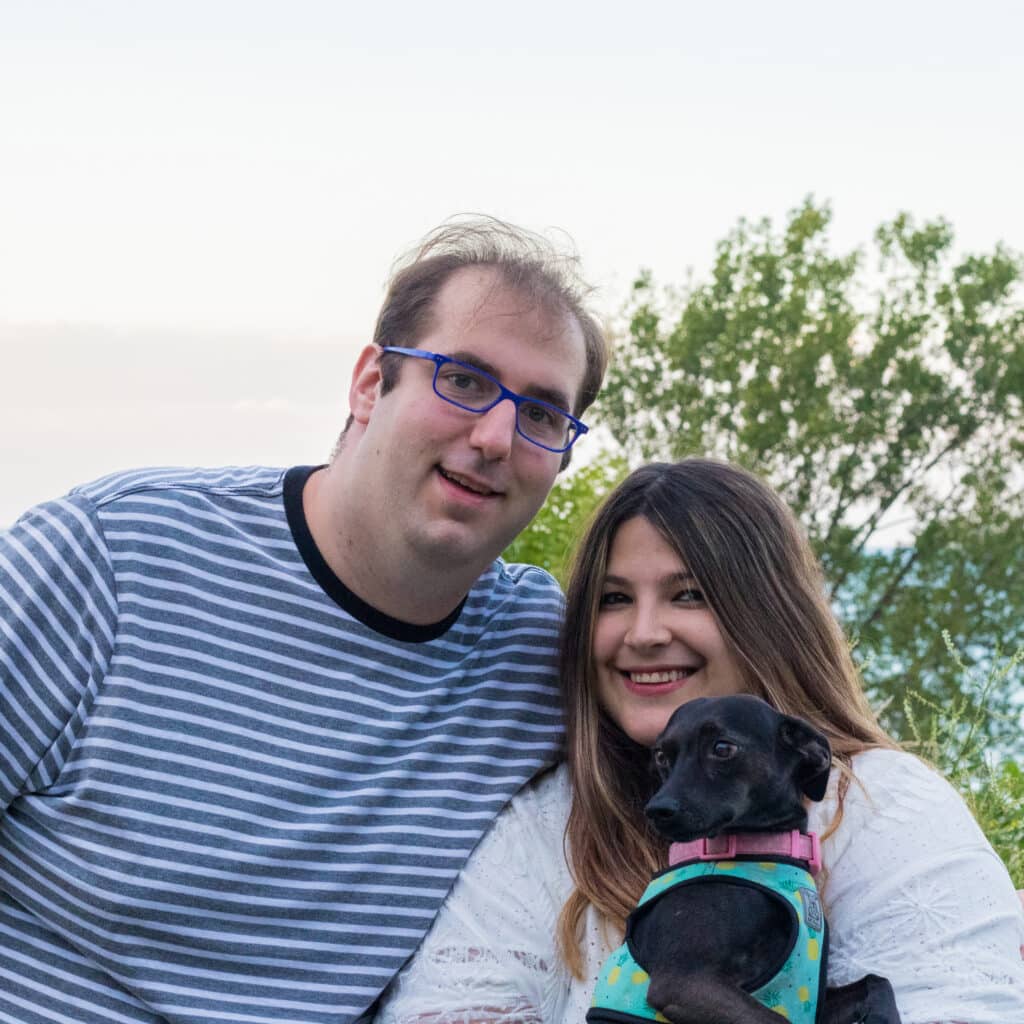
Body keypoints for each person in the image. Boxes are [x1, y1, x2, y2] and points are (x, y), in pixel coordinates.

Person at [0, 218, 609, 1024]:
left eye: (541, 414)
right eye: (463, 379)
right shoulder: (111, 558)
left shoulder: (541, 655)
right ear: (369, 384)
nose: (495, 436)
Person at [375, 459, 1024, 1024]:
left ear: (766, 615)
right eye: (613, 599)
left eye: (688, 594)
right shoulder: (543, 826)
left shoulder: (883, 807)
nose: (645, 632)